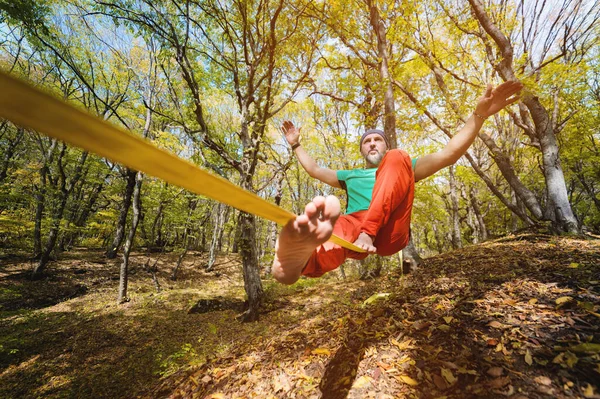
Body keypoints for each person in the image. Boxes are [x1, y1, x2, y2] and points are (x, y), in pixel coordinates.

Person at [271, 81, 523, 285]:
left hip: (390, 228)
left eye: (377, 140)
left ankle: (365, 233)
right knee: (338, 227)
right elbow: (314, 170)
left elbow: (449, 154)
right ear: (362, 151)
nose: (371, 143)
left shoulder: (403, 165)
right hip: (356, 231)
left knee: (398, 157)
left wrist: (479, 115)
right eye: (366, 141)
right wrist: (295, 143)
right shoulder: (350, 175)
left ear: (384, 144)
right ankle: (301, 262)